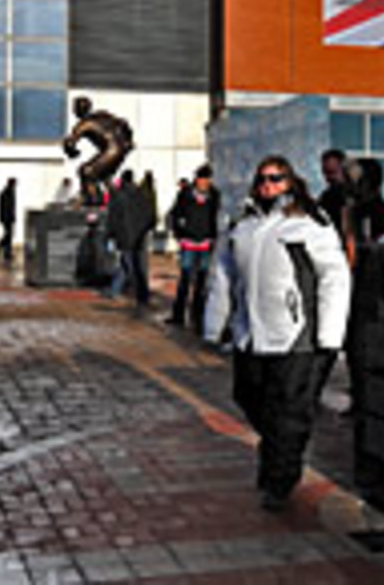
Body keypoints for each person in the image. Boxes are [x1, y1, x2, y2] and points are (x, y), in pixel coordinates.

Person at [203, 156, 351, 512]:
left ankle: (279, 481)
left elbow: (335, 276)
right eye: (263, 179)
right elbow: (222, 276)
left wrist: (330, 336)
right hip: (250, 334)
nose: (268, 184)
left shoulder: (309, 223)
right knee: (249, 396)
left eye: (276, 178)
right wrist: (215, 323)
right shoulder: (243, 225)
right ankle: (277, 451)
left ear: (291, 181)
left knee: (289, 412)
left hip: (295, 337)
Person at [341, 157, 384, 417]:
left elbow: (382, 248)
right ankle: (360, 397)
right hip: (354, 286)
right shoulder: (353, 208)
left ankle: (371, 399)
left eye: (356, 179)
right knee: (354, 346)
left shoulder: (379, 211)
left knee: (365, 344)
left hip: (370, 287)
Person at [167, 164, 220, 329]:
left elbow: (216, 218)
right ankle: (178, 315)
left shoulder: (215, 196)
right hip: (188, 242)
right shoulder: (185, 194)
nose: (203, 182)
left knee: (201, 281)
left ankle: (197, 315)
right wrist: (179, 234)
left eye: (206, 179)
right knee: (185, 278)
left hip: (205, 243)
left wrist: (213, 236)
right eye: (201, 179)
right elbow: (174, 215)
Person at [62, 96, 135, 205]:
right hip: (122, 148)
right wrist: (128, 140)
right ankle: (117, 201)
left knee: (87, 171)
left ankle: (93, 200)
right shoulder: (102, 115)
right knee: (103, 175)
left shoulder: (84, 124)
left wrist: (72, 152)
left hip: (112, 150)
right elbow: (123, 123)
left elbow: (70, 143)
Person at [106, 170, 156, 314]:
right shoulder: (140, 195)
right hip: (139, 237)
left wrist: (111, 235)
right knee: (136, 267)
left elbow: (113, 219)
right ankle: (139, 295)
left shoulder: (118, 197)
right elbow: (149, 216)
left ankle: (118, 291)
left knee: (126, 265)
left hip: (124, 237)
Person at [316, 149, 349, 242]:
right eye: (325, 172)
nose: (329, 177)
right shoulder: (326, 197)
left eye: (333, 172)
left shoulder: (350, 195)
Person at [0, 177, 17, 264]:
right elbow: (6, 207)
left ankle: (7, 253)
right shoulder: (7, 193)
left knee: (9, 236)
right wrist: (7, 218)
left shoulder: (9, 192)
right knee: (8, 235)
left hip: (8, 218)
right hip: (7, 218)